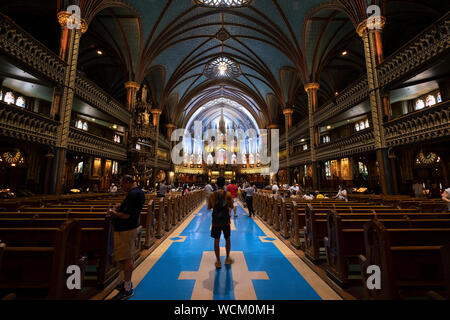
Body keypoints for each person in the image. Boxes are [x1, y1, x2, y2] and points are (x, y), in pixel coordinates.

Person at [109, 175, 145, 300]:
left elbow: (126, 216)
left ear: (128, 182)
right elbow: (130, 209)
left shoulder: (133, 194)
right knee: (126, 256)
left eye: (123, 184)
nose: (122, 187)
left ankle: (127, 288)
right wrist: (122, 206)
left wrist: (113, 212)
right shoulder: (138, 192)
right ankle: (125, 282)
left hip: (126, 229)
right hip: (130, 227)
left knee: (126, 257)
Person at [207, 176, 234, 268]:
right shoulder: (228, 194)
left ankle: (218, 261)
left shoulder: (211, 194)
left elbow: (209, 207)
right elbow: (231, 205)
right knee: (227, 239)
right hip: (225, 220)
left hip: (215, 221)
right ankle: (227, 258)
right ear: (224, 184)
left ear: (216, 184)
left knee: (216, 240)